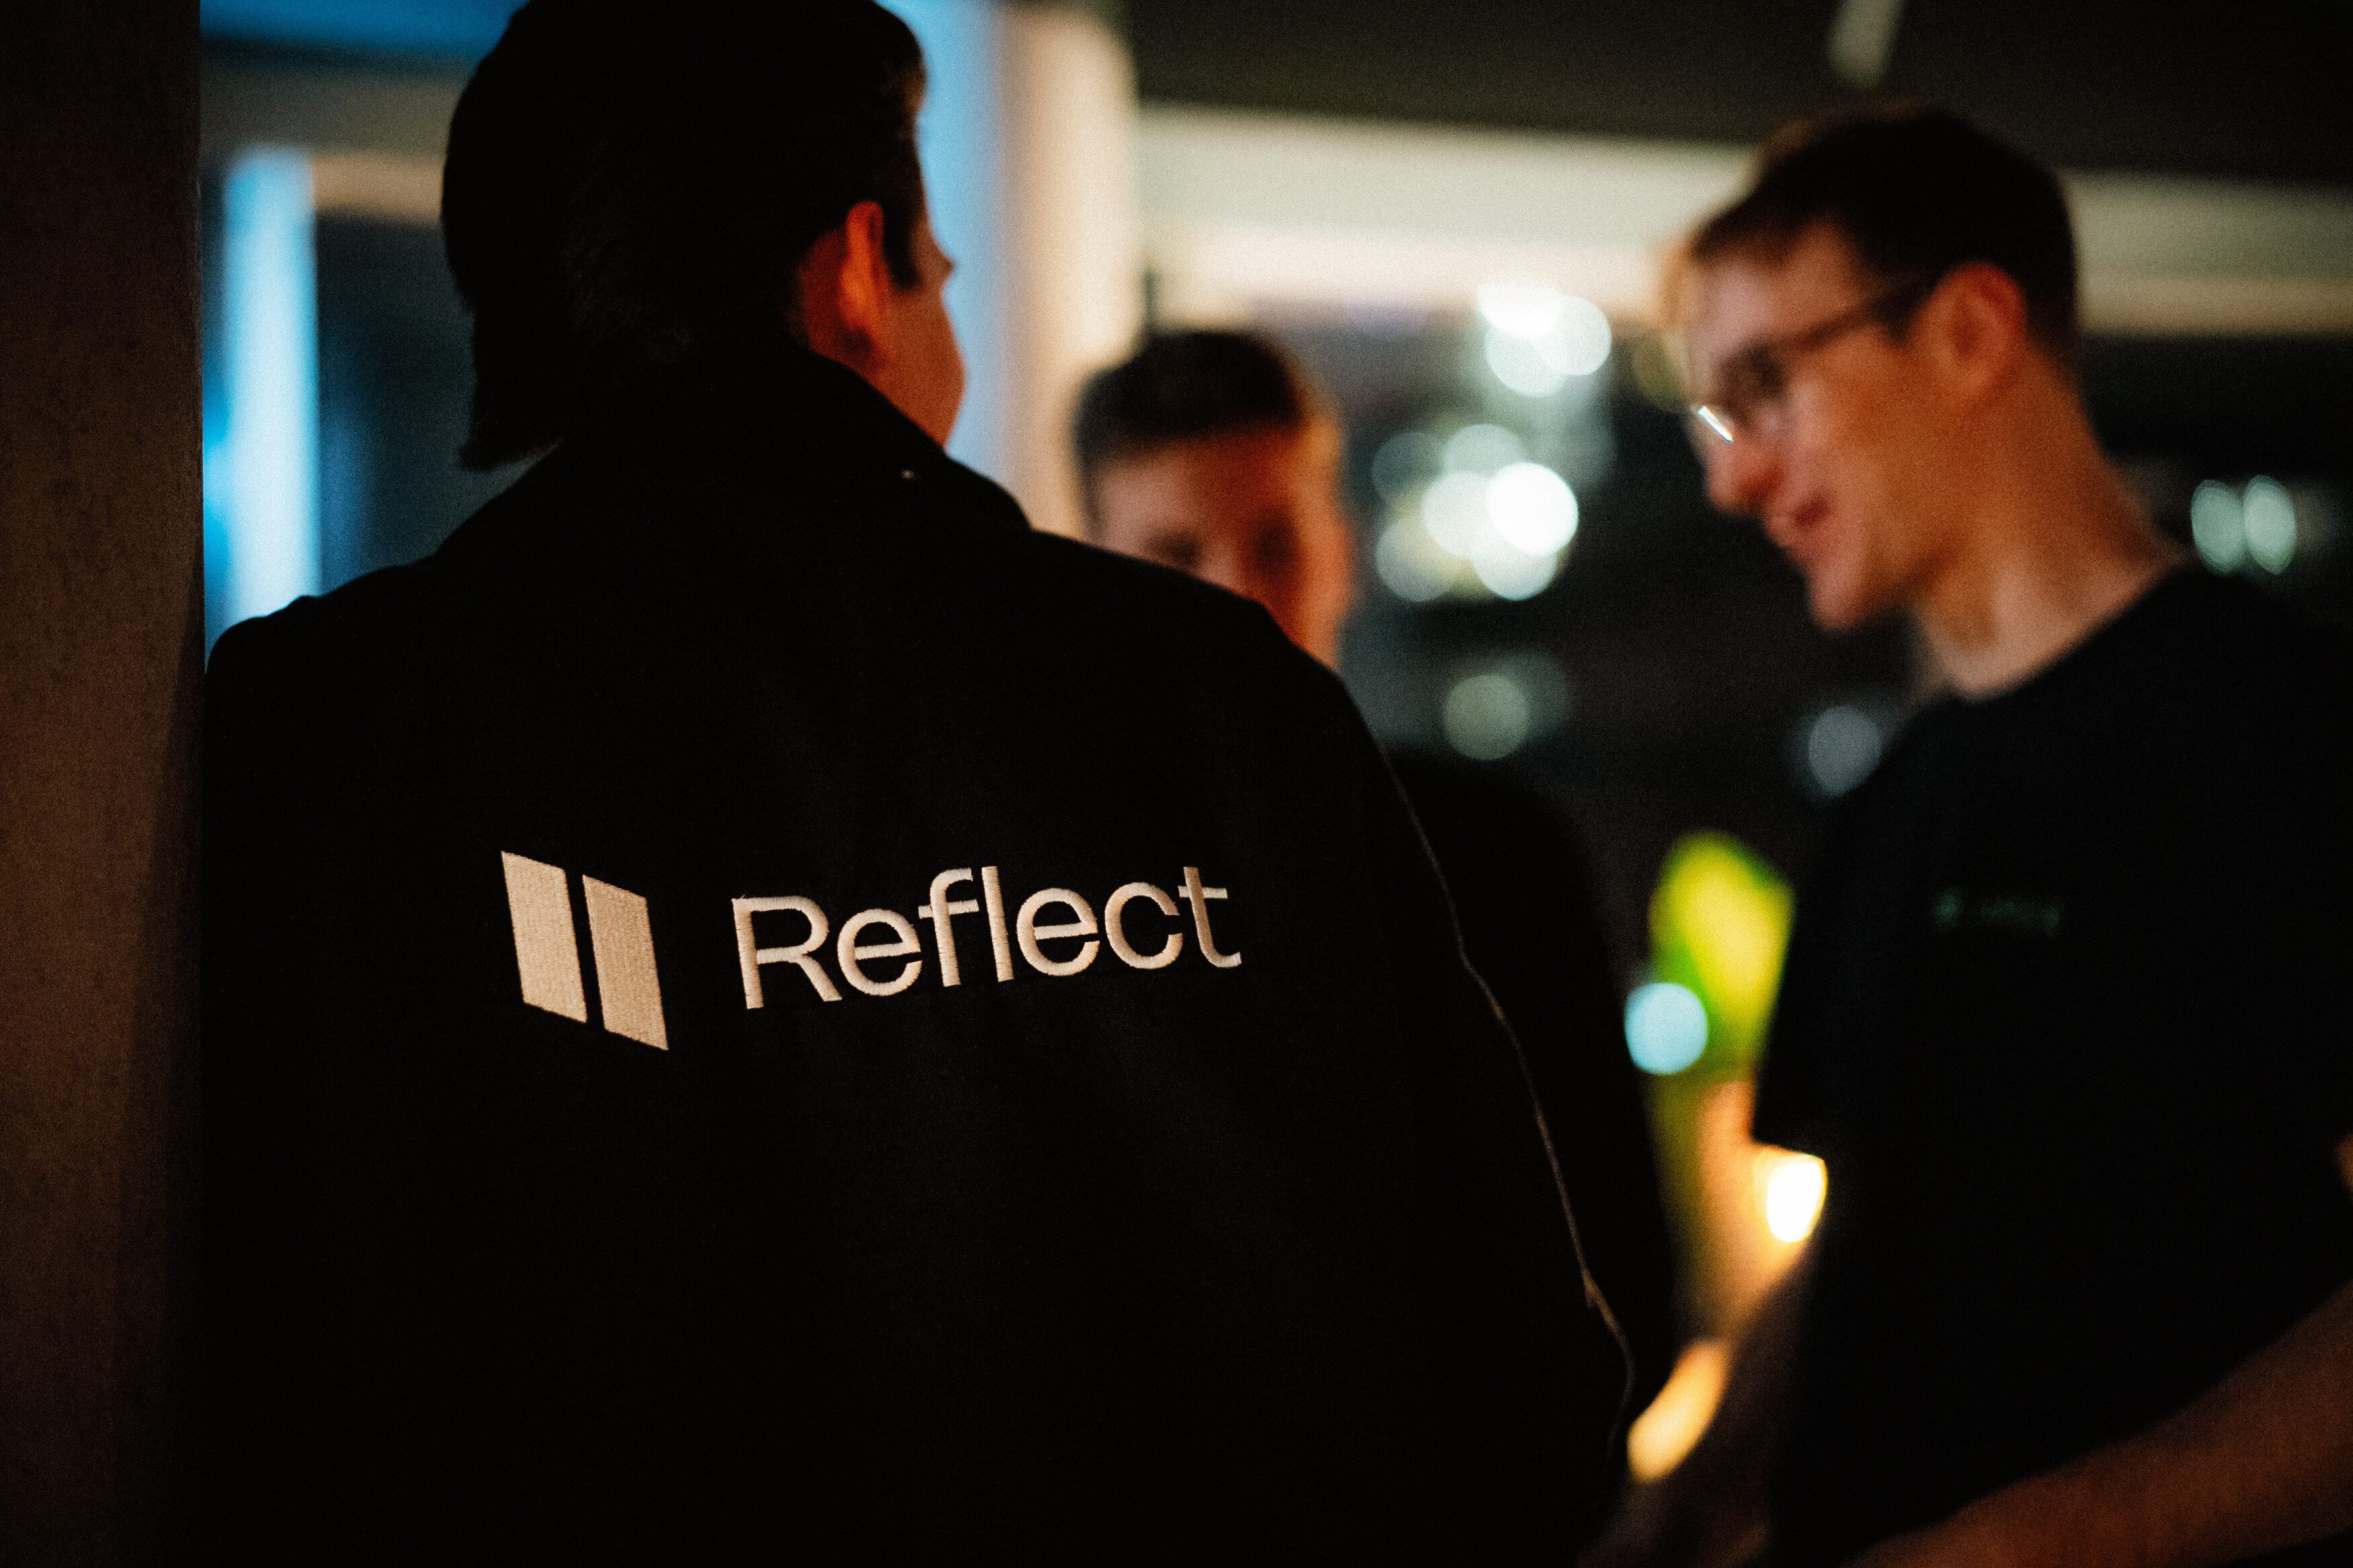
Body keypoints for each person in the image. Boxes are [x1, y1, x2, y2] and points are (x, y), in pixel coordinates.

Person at [200, 3, 1632, 1557]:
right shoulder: (1213, 697)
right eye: (937, 267)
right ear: (857, 271)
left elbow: (272, 1386)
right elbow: (1527, 1394)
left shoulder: (337, 732)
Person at [1585, 106, 2353, 1568]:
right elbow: (1860, 1255)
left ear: (1970, 329)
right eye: (1713, 420)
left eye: (1764, 387)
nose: (1731, 478)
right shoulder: (1891, 803)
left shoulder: (2292, 732)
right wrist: (1672, 1518)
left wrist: (2044, 1539)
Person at [1071, 331, 1682, 1453]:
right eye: (1174, 555)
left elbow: (1623, 1265)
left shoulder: (1500, 853)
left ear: (1341, 550)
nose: (1238, 596)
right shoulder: (1051, 896)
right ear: (1093, 582)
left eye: (1275, 543)